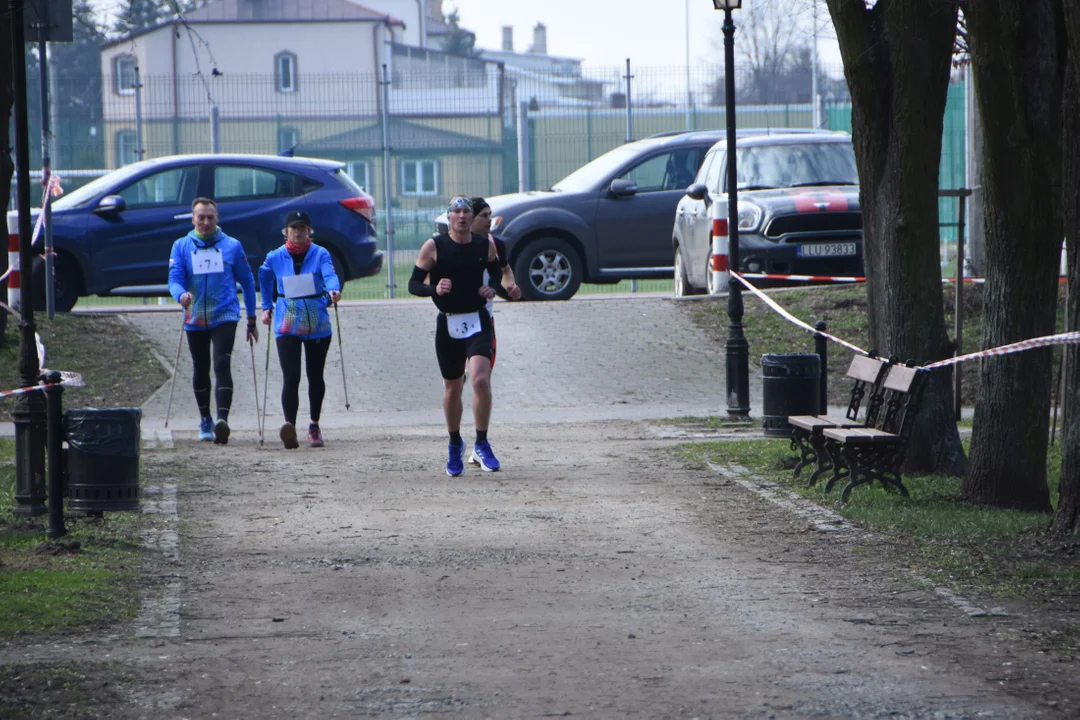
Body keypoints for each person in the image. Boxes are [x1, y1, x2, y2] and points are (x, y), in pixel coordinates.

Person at [408, 195, 503, 477]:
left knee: (480, 379)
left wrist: (492, 288)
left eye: (466, 212)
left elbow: (498, 273)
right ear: (449, 217)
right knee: (452, 388)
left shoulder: (484, 245)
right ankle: (454, 442)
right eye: (457, 211)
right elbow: (414, 284)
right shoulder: (434, 246)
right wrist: (434, 289)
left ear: (472, 218)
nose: (462, 216)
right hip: (449, 323)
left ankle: (482, 442)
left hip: (477, 320)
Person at [168, 197, 259, 444]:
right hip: (195, 316)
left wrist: (251, 318)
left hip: (224, 315)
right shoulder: (181, 246)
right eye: (201, 217)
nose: (206, 222)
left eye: (210, 217)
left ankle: (222, 421)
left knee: (221, 364)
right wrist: (181, 295)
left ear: (217, 218)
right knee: (200, 367)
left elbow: (248, 282)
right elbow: (174, 279)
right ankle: (205, 419)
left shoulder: (232, 246)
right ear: (193, 219)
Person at [258, 211, 342, 449]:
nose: (298, 232)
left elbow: (330, 275)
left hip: (317, 324)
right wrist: (266, 306)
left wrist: (334, 291)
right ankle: (290, 427)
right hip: (287, 324)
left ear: (309, 231)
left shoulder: (320, 254)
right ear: (286, 231)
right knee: (291, 377)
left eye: (302, 227)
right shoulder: (275, 257)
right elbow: (263, 277)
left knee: (315, 376)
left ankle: (314, 425)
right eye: (293, 228)